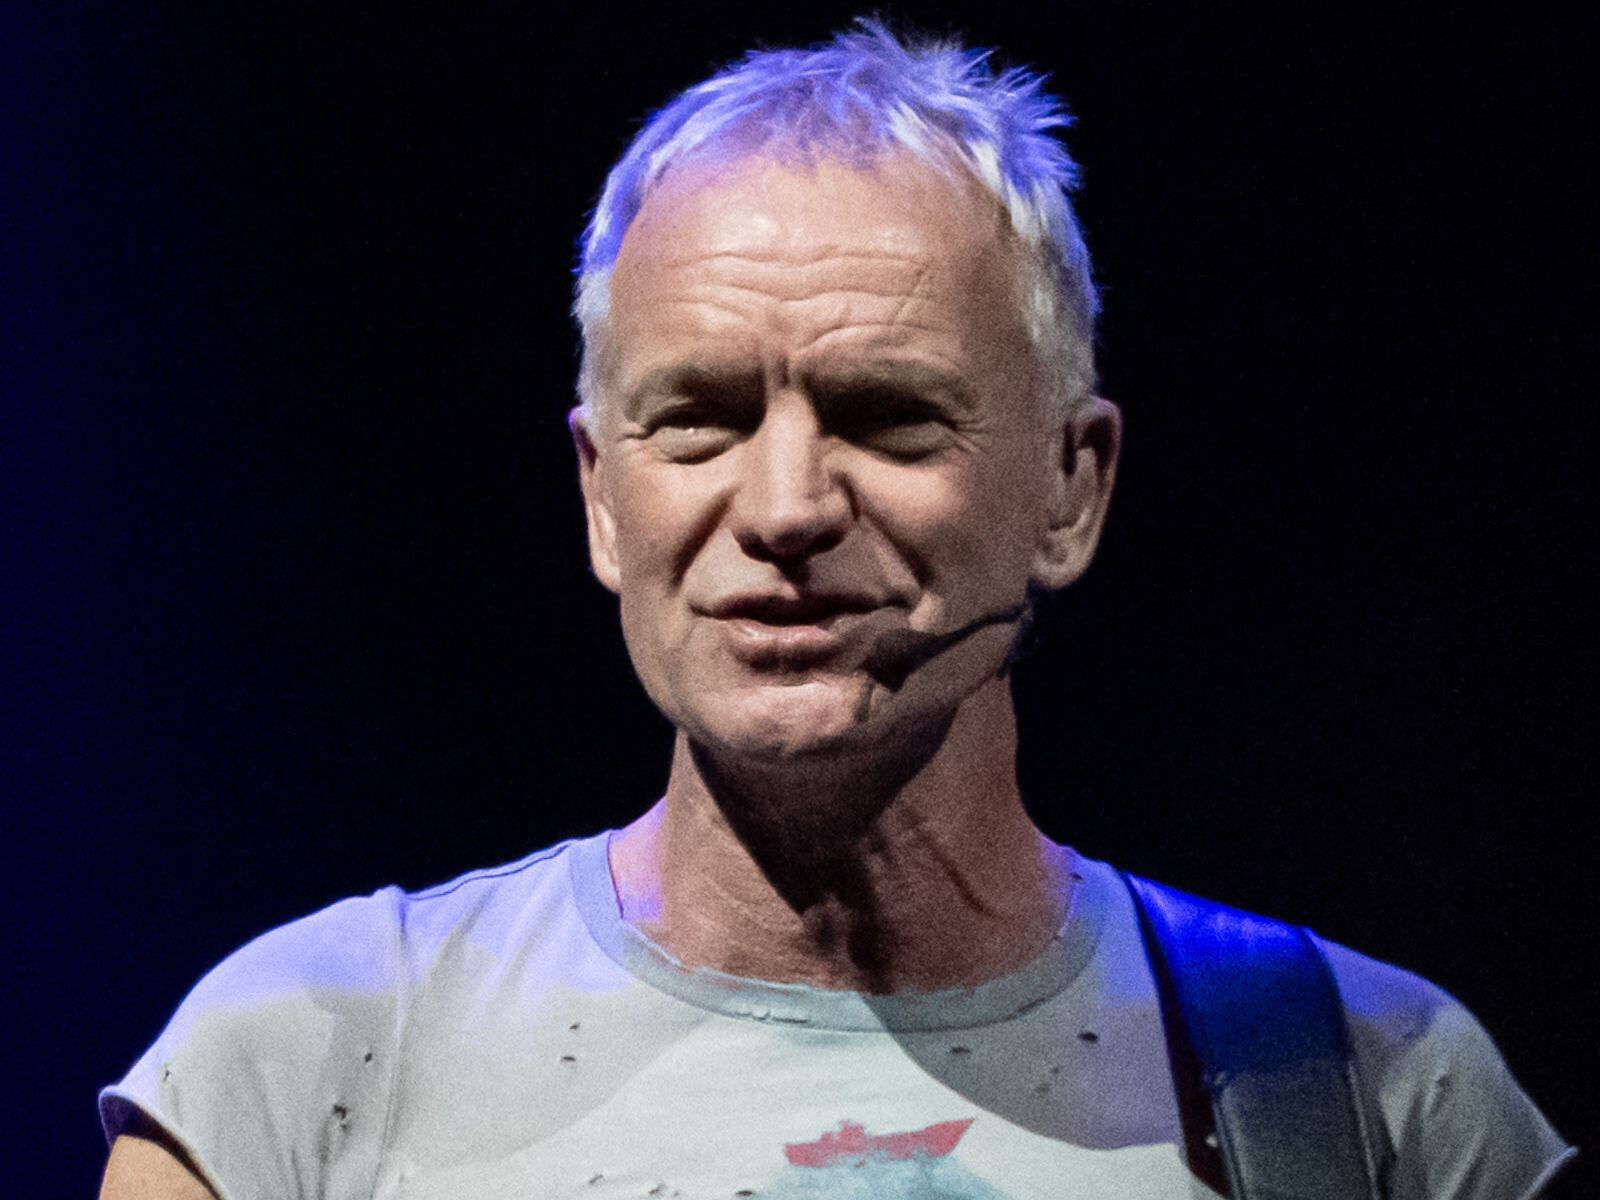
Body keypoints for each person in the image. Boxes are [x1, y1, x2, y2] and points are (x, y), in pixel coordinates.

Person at [99, 22, 1573, 1199]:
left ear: (1071, 488)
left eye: (886, 416)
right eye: (698, 420)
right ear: (603, 497)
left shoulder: (1377, 1096)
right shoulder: (301, 1073)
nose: (787, 505)